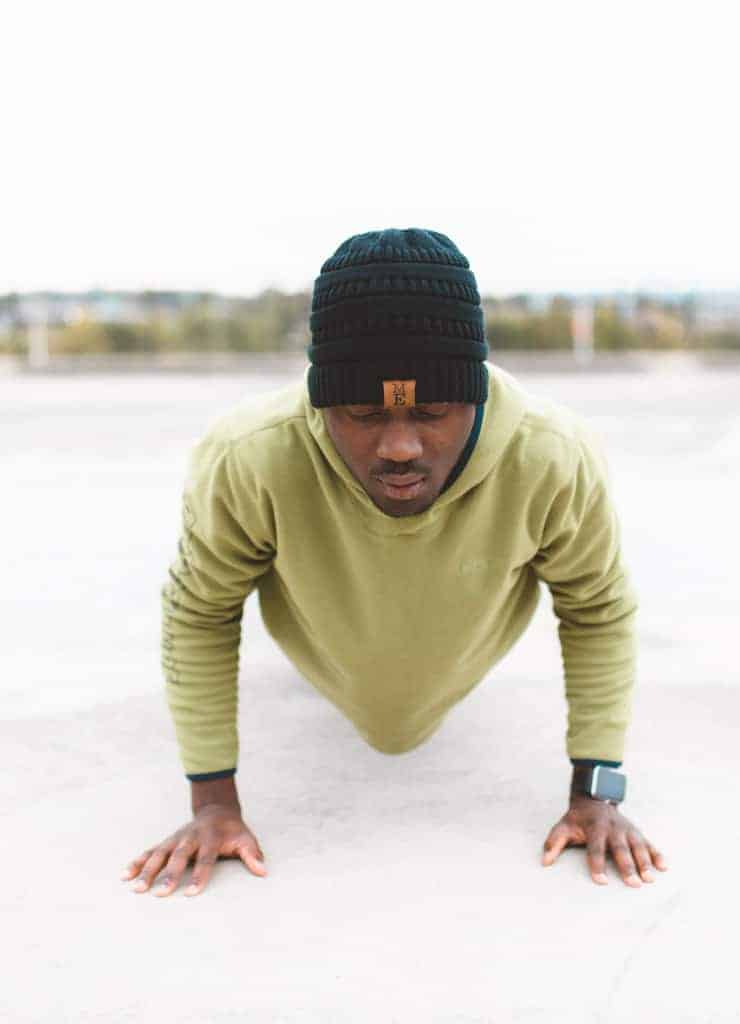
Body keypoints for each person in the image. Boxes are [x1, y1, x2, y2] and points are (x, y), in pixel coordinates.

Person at [121, 227, 668, 898]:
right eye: (362, 412)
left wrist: (598, 793)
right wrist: (212, 805)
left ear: (478, 397)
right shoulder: (251, 457)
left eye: (433, 411)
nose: (401, 446)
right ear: (323, 403)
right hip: (322, 649)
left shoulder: (552, 458)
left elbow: (599, 610)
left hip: (459, 655)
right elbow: (199, 611)